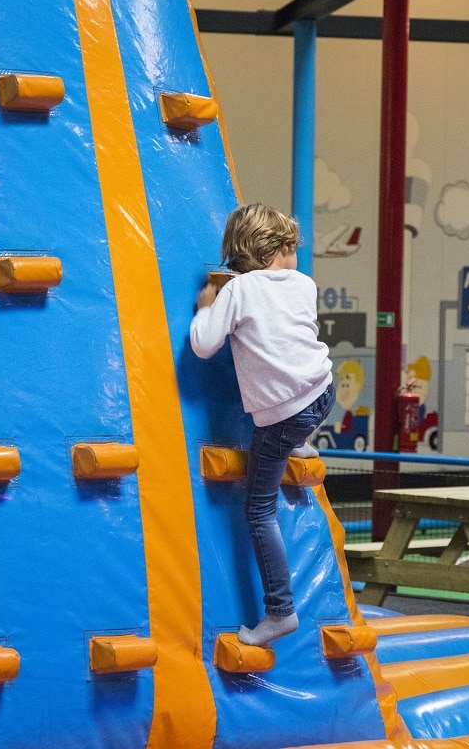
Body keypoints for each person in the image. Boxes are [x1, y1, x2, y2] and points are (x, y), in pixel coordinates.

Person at [190, 204, 334, 647]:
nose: (295, 261)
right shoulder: (304, 286)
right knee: (295, 412)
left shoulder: (239, 292)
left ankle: (279, 610)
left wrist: (206, 306)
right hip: (323, 393)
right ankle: (301, 443)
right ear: (272, 251)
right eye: (289, 251)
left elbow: (203, 345)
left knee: (258, 511)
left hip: (282, 416)